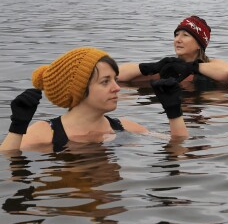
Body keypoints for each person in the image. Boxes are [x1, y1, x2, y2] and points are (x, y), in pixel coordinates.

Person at [1, 47, 187, 153]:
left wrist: (174, 112)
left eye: (115, 79)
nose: (116, 87)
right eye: (105, 82)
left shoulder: (123, 126)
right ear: (79, 89)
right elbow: (8, 167)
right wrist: (17, 127)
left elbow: (179, 146)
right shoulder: (44, 132)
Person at [117, 15, 228, 84]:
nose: (178, 40)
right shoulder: (168, 69)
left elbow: (227, 72)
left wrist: (190, 67)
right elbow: (116, 75)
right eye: (176, 35)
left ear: (199, 44)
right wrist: (154, 66)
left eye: (185, 35)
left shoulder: (211, 65)